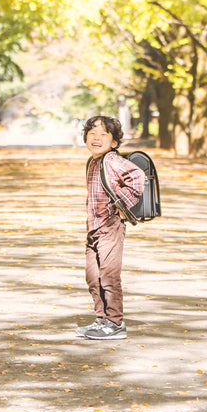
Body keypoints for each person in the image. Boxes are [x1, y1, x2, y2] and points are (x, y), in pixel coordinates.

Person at [77, 114, 145, 342]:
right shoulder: (93, 161)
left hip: (110, 226)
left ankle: (115, 323)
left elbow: (137, 175)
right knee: (92, 276)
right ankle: (101, 319)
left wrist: (121, 205)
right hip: (94, 228)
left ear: (114, 142)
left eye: (103, 134)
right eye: (92, 133)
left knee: (108, 275)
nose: (96, 138)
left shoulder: (111, 160)